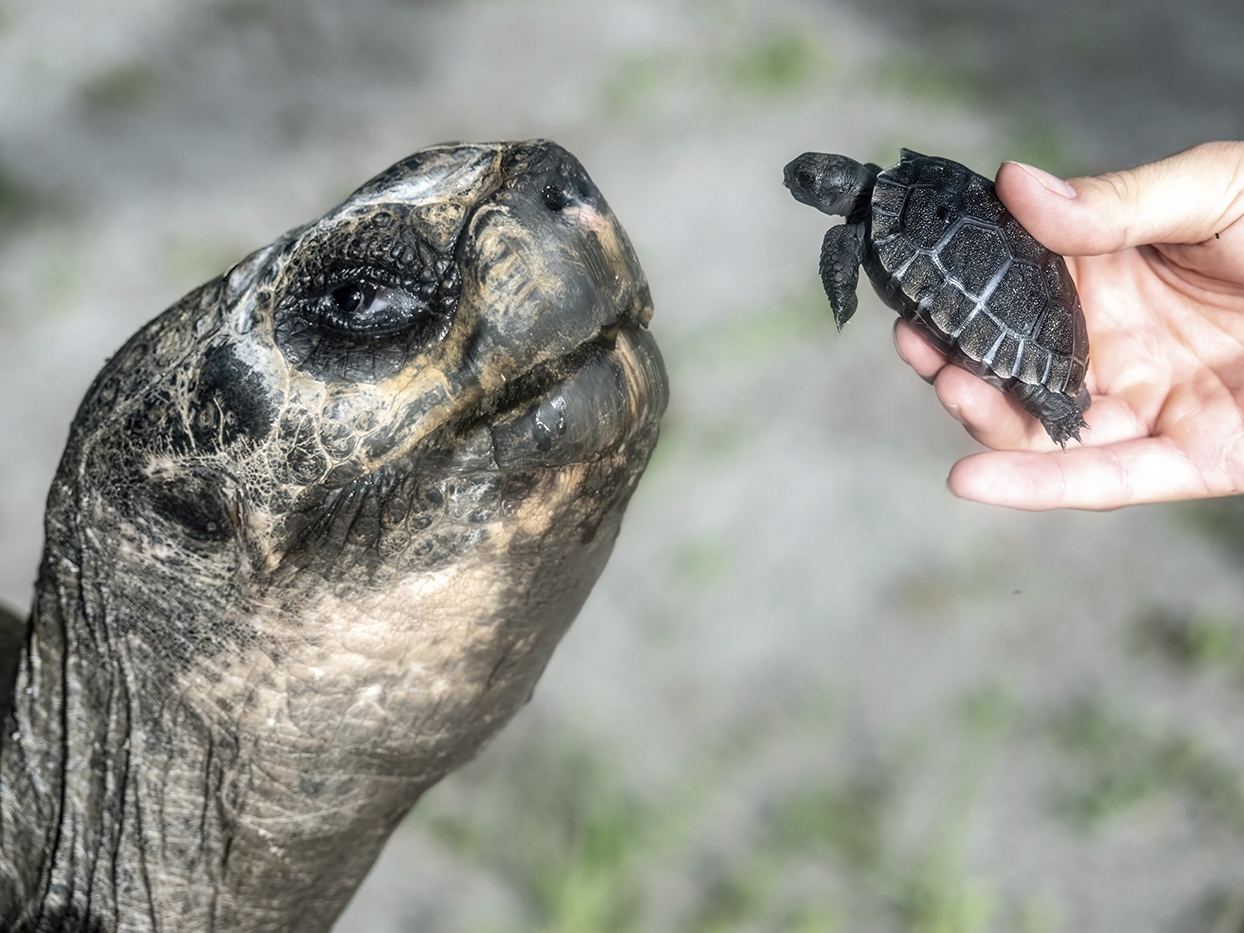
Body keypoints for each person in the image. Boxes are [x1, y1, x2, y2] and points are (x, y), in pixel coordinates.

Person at [892, 141, 1244, 512]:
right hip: (1034, 322)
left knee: (1031, 389)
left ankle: (1058, 402)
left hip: (1024, 321)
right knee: (1009, 386)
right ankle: (1058, 396)